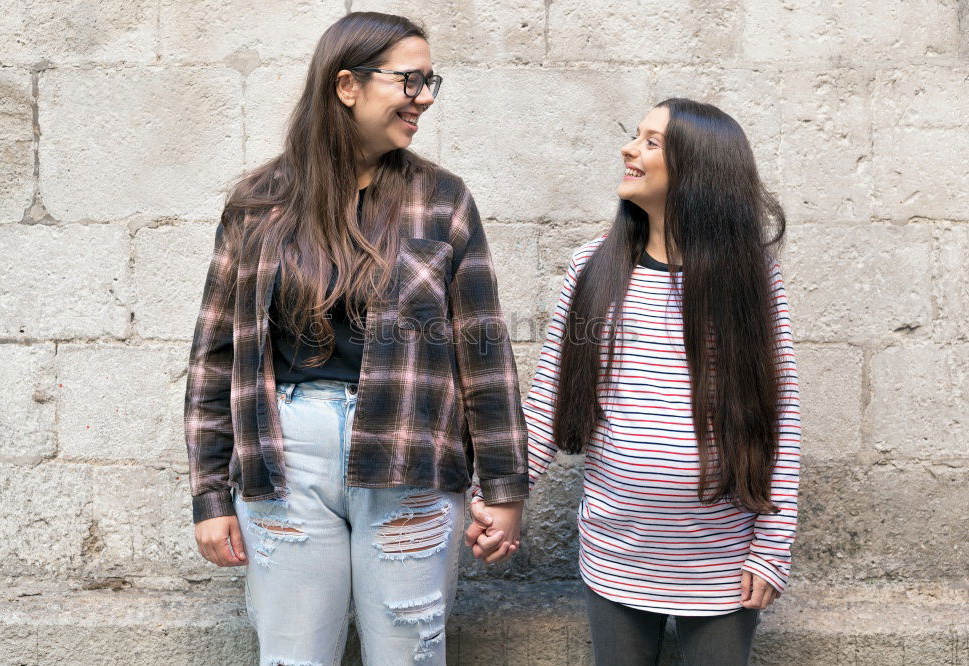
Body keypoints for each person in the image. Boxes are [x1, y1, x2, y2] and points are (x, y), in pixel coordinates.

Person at [184, 12, 527, 665]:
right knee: (291, 657)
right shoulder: (259, 203)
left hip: (412, 461)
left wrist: (505, 490)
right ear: (347, 85)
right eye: (410, 80)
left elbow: (483, 352)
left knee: (409, 653)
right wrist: (209, 496)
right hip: (285, 462)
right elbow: (214, 357)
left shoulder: (443, 200)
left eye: (431, 81)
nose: (424, 96)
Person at [466, 98, 801, 666]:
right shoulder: (592, 268)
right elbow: (548, 402)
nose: (629, 149)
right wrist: (499, 496)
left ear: (699, 170)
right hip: (616, 551)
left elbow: (780, 413)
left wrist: (771, 546)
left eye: (651, 142)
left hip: (719, 560)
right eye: (634, 136)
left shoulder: (751, 278)